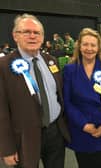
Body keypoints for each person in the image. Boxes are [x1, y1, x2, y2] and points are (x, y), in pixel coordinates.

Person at [0, 13, 70, 168]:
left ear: (43, 37)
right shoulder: (4, 66)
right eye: (26, 32)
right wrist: (6, 148)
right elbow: (1, 112)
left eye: (36, 33)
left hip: (55, 133)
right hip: (24, 138)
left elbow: (58, 95)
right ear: (15, 35)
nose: (32, 36)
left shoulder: (51, 60)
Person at [63, 28, 101, 168]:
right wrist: (83, 124)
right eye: (85, 44)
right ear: (79, 46)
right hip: (82, 130)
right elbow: (67, 102)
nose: (89, 48)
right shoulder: (69, 70)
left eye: (93, 45)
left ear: (98, 47)